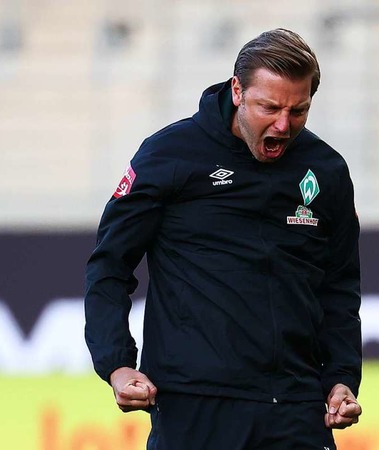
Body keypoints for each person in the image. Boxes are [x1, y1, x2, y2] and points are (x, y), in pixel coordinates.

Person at [85, 28, 362, 449]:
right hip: (195, 404)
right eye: (269, 107)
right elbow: (110, 265)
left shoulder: (326, 170)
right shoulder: (170, 155)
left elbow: (339, 287)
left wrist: (342, 378)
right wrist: (116, 365)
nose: (284, 125)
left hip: (296, 405)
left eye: (299, 110)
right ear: (237, 91)